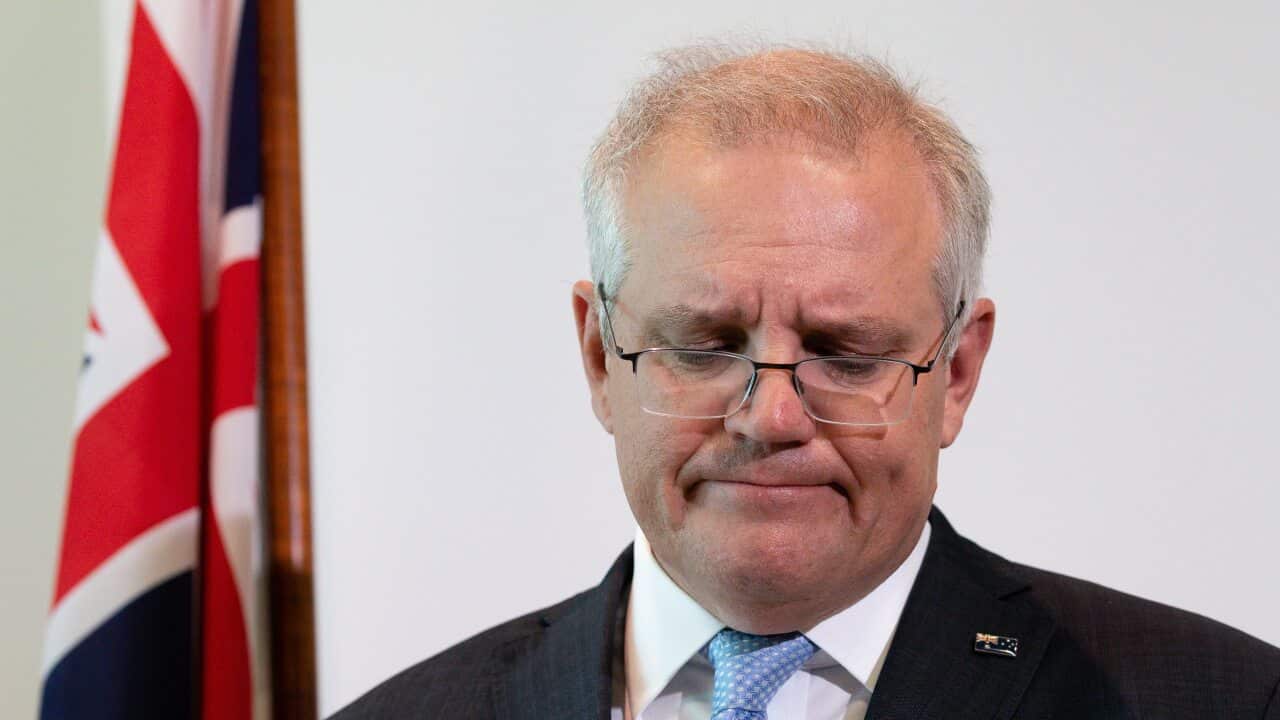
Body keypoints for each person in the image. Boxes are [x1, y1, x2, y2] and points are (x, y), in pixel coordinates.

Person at [332, 43, 1280, 719]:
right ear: (598, 358)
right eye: (704, 345)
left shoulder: (1222, 700)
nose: (772, 416)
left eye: (848, 353)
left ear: (956, 373)